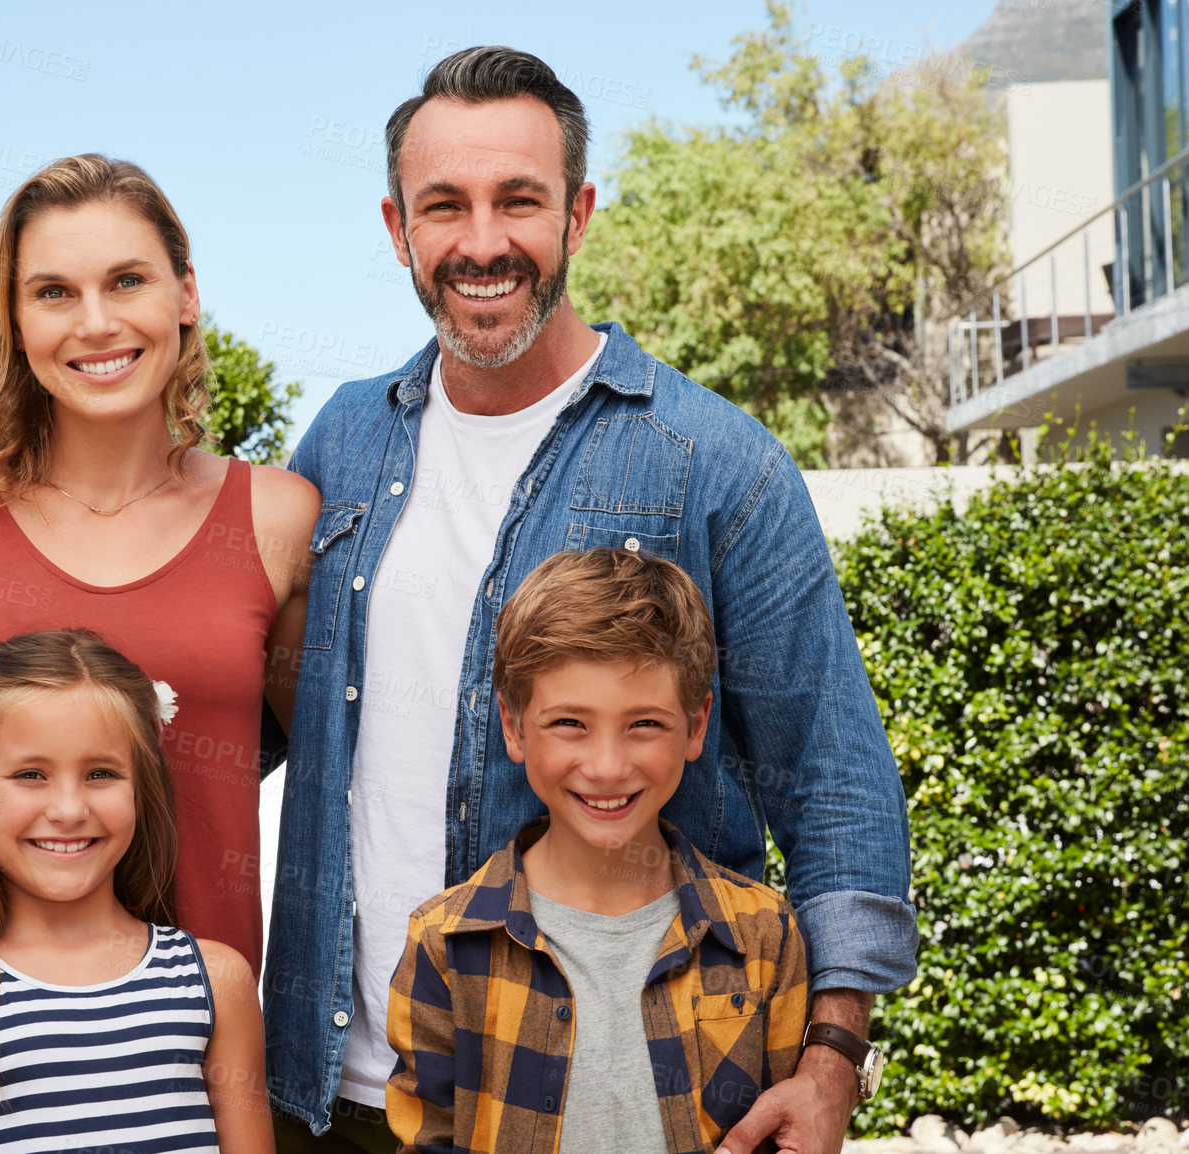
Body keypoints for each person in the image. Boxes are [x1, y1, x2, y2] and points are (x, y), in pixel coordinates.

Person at [264, 47, 911, 1153]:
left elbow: (833, 777)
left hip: (634, 1094)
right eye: (444, 206)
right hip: (336, 1093)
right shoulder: (340, 441)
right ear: (397, 227)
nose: (481, 241)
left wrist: (834, 1055)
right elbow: (260, 720)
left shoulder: (715, 461)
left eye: (519, 199)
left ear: (579, 212)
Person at [0, 154, 320, 1145]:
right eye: (53, 292)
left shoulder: (279, 520)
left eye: (126, 279)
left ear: (185, 294)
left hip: (191, 1082)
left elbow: (323, 770)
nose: (95, 322)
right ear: (14, 318)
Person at [385, 548, 811, 1154]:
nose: (607, 767)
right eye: (569, 723)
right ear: (512, 726)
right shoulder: (445, 942)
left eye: (644, 724)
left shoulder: (765, 937)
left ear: (696, 726)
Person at [0, 629, 275, 1153]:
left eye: (101, 773)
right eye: (31, 774)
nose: (68, 810)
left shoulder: (218, 984)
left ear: (141, 790)